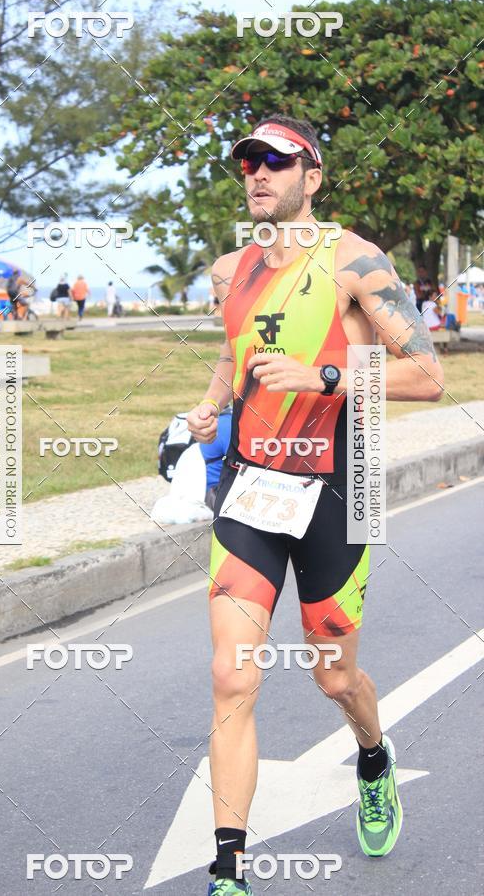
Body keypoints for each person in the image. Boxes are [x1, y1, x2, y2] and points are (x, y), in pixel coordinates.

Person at [186, 114, 444, 896]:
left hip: (343, 487)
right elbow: (238, 363)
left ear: (313, 177)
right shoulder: (230, 271)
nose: (258, 174)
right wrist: (207, 409)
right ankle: (228, 866)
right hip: (253, 486)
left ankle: (371, 754)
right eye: (247, 163)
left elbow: (428, 376)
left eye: (275, 161)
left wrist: (325, 379)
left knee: (334, 675)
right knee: (233, 676)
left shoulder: (356, 263)